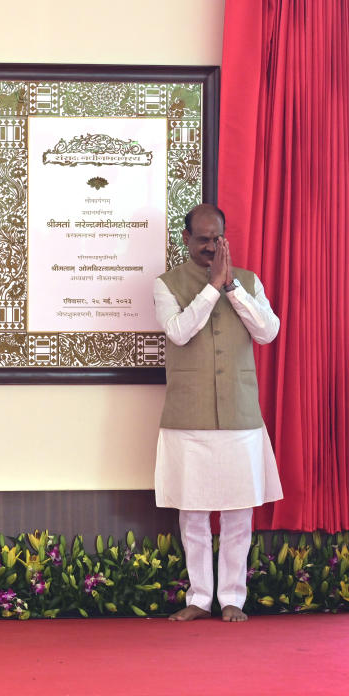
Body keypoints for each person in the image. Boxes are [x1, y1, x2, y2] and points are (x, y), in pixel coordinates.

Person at [153, 203, 282, 622]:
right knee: (192, 512)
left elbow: (267, 331)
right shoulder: (166, 284)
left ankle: (232, 599)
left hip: (240, 415)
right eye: (203, 239)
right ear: (186, 239)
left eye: (217, 238)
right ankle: (197, 599)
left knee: (238, 513)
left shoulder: (248, 281)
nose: (211, 246)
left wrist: (231, 289)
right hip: (188, 417)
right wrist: (211, 288)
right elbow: (178, 332)